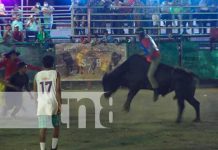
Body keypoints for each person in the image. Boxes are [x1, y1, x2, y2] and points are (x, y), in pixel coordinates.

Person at [33, 55, 61, 150]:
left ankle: (42, 148)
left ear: (43, 63)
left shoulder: (37, 75)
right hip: (53, 102)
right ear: (53, 63)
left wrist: (36, 104)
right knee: (56, 126)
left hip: (42, 103)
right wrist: (59, 104)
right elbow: (58, 90)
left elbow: (35, 92)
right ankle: (53, 148)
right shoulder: (56, 73)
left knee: (43, 128)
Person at [136, 27, 161, 101]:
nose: (136, 36)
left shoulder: (145, 40)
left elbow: (150, 50)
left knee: (150, 75)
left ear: (140, 34)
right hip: (152, 57)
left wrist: (144, 55)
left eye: (137, 34)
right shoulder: (146, 38)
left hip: (155, 58)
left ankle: (156, 90)